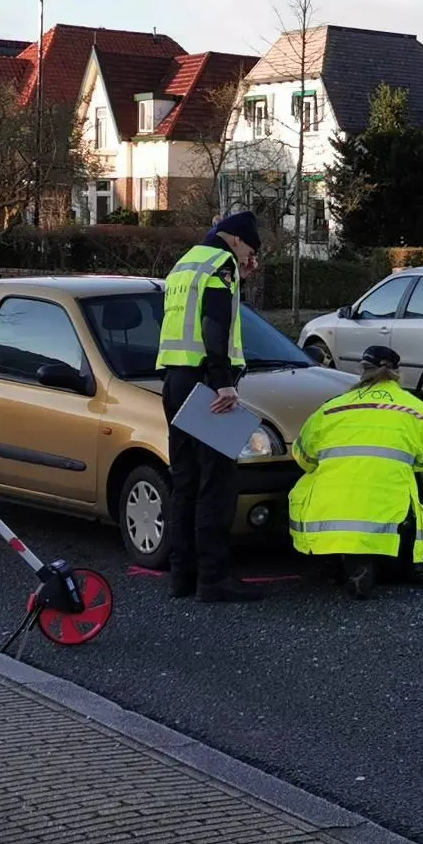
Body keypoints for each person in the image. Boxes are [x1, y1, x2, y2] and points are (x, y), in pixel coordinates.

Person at [287, 344, 423, 598]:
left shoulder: (331, 408)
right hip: (385, 517)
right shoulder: (415, 409)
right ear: (397, 373)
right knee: (410, 487)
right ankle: (376, 565)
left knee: (310, 480)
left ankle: (334, 562)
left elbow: (303, 458)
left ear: (362, 371)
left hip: (327, 518)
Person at [156, 210, 264, 603]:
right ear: (237, 240)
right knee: (216, 483)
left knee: (184, 482)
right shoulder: (221, 264)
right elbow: (214, 325)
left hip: (175, 380)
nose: (250, 258)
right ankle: (214, 580)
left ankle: (182, 577)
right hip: (207, 384)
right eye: (250, 249)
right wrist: (223, 382)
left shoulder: (188, 262)